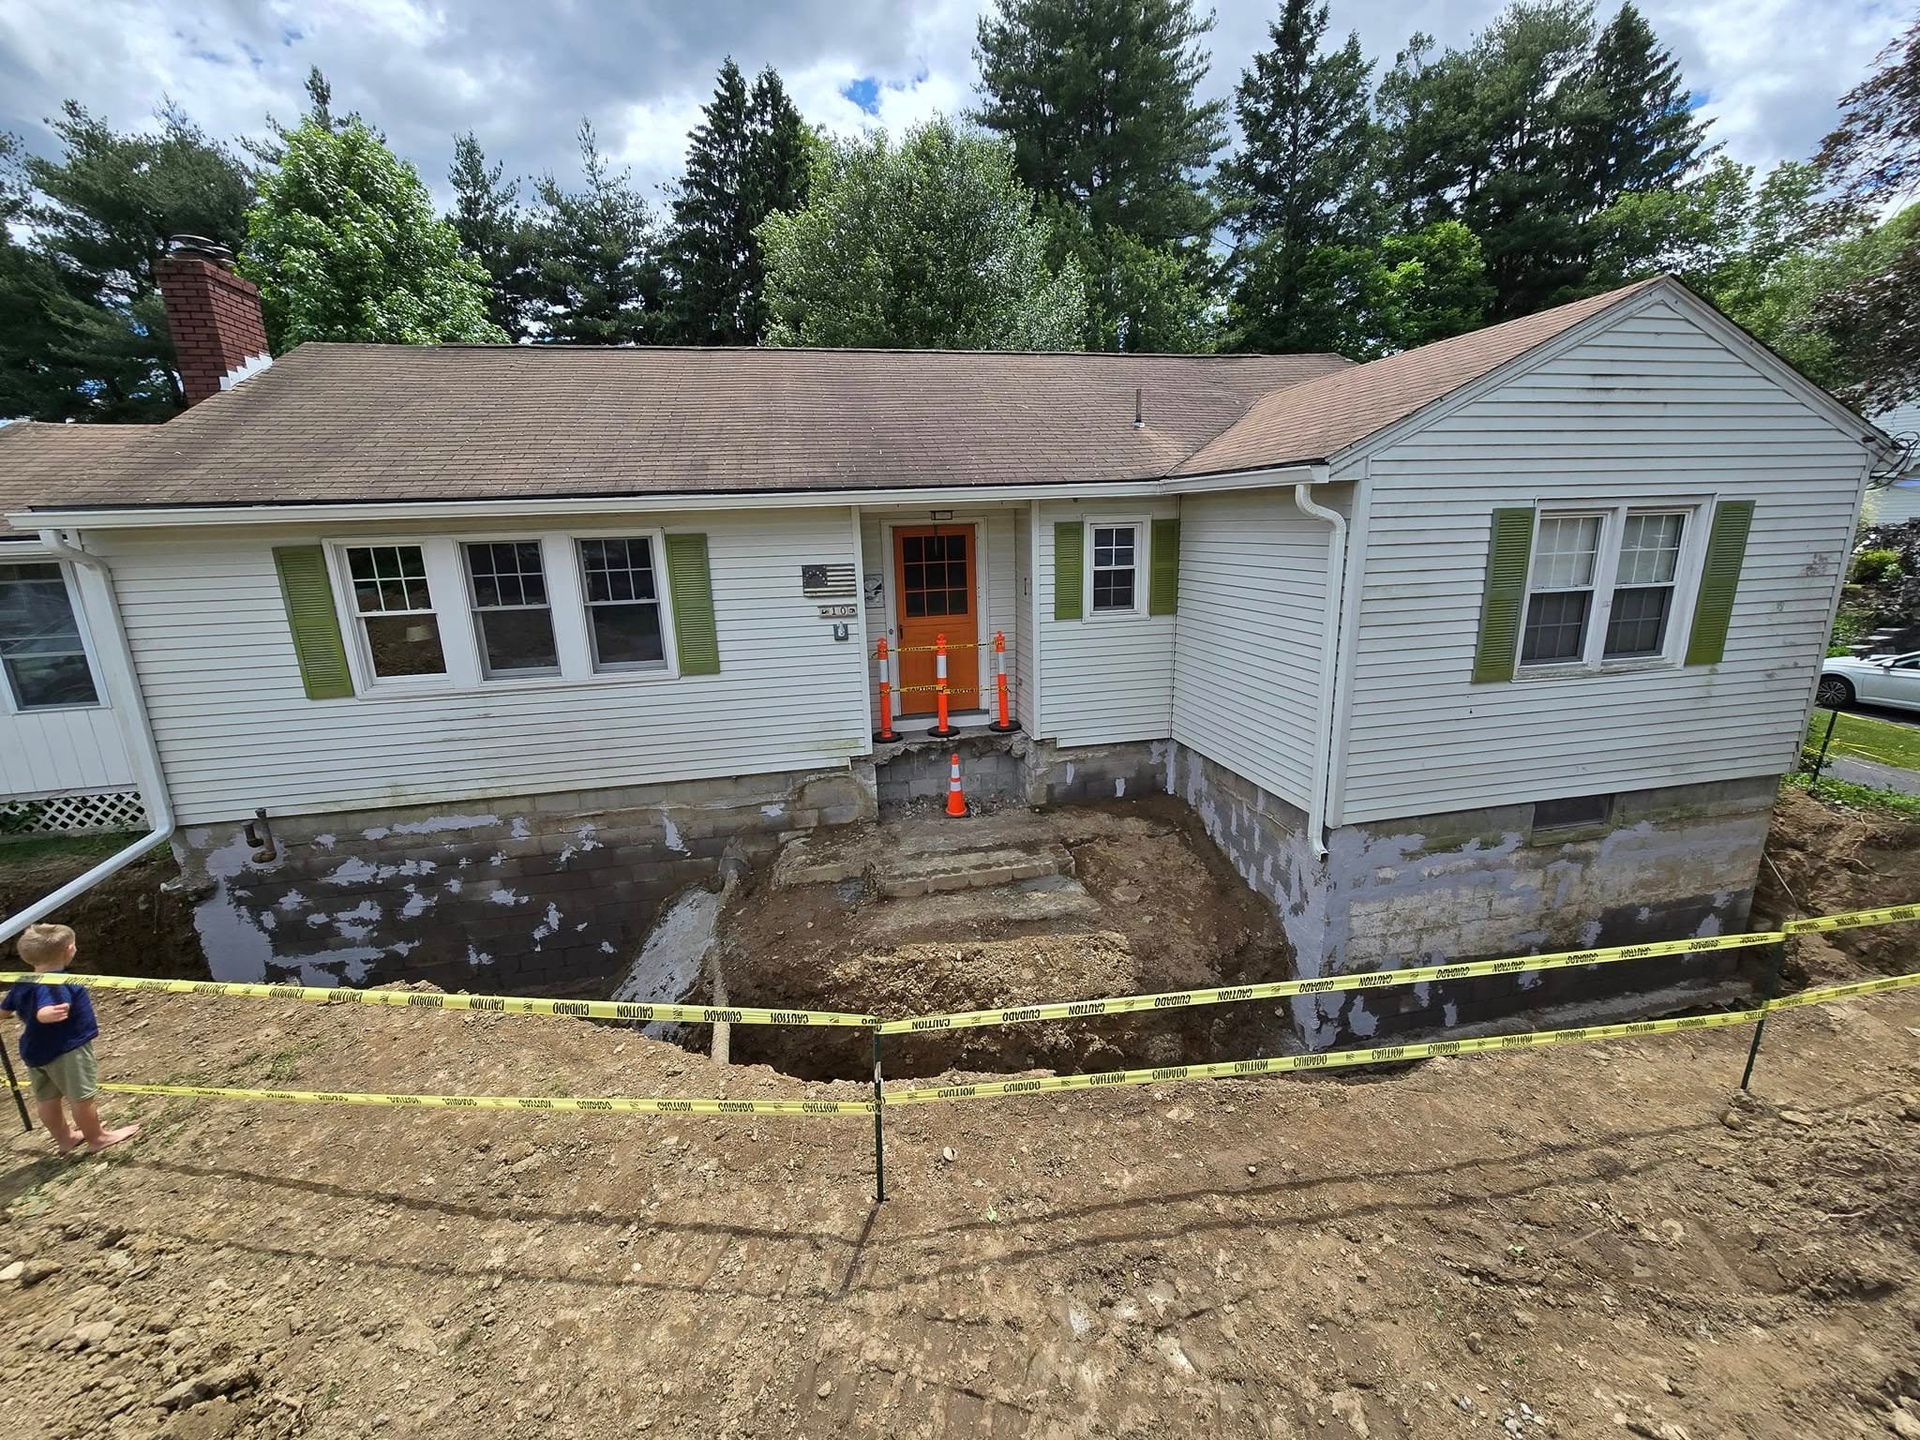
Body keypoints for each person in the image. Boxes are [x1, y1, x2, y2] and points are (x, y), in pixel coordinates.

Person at [3, 923, 137, 1155]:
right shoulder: (57, 982)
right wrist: (44, 1014)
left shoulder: (22, 981)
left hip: (35, 1051)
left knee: (47, 1099)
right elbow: (49, 1005)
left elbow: (4, 1010)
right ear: (70, 949)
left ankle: (65, 1139)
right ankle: (98, 1138)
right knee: (81, 1098)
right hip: (67, 1050)